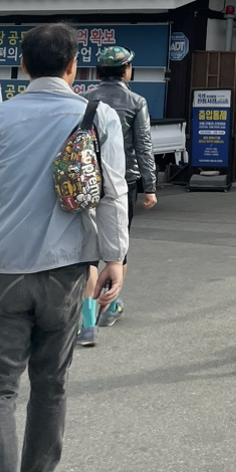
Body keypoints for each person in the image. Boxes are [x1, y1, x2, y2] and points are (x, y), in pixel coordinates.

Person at [0, 22, 128, 472]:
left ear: (22, 68)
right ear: (72, 66)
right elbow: (112, 194)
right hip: (65, 270)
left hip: (0, 270)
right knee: (50, 380)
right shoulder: (97, 116)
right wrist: (114, 258)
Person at [81, 44, 158, 342]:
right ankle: (110, 306)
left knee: (88, 250)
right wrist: (150, 186)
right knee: (118, 247)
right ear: (127, 70)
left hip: (87, 182)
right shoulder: (136, 101)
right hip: (123, 183)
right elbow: (143, 145)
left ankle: (88, 322)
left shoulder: (85, 99)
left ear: (99, 72)